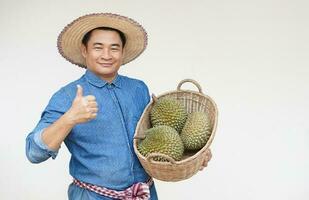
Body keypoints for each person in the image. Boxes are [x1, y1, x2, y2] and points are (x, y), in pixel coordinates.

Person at [26, 13, 212, 200]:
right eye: (98, 48)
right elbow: (34, 152)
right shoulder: (67, 97)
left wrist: (194, 154)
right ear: (84, 50)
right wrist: (70, 118)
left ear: (122, 52)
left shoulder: (138, 89)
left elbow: (161, 135)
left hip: (143, 193)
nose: (106, 55)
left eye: (114, 48)